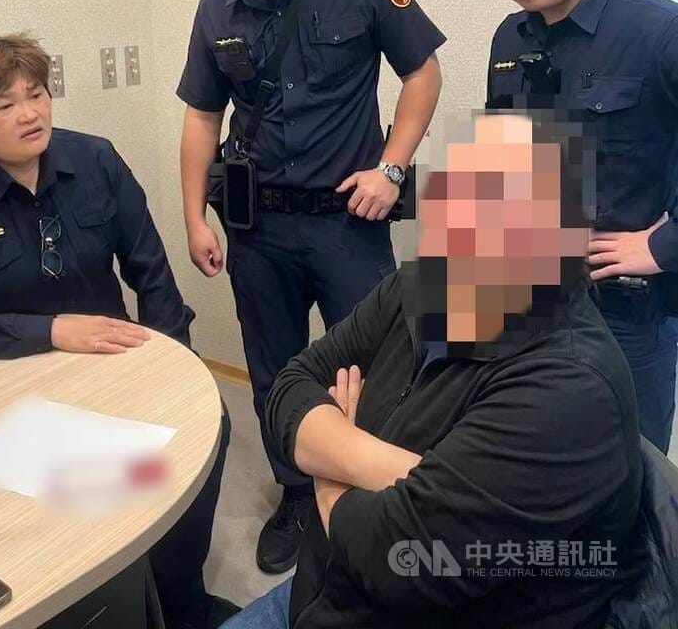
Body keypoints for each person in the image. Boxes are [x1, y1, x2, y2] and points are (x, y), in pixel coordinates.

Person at [223, 110, 644, 629]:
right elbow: (290, 389)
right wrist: (391, 470)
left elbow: (392, 556)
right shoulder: (425, 286)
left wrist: (327, 475)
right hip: (319, 588)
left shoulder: (570, 390)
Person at [0, 35, 239, 629]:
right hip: (6, 382)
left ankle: (179, 596)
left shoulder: (96, 160)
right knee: (56, 494)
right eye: (5, 105)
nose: (30, 113)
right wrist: (52, 330)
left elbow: (152, 274)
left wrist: (177, 369)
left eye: (36, 94)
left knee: (206, 428)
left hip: (112, 364)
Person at [177, 0, 445, 573]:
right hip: (258, 228)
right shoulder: (215, 10)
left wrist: (391, 168)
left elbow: (422, 72)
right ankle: (298, 495)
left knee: (376, 362)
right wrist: (194, 216)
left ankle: (372, 490)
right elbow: (201, 116)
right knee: (274, 365)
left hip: (346, 222)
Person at [469, 0, 678, 453]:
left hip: (624, 310)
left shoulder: (658, 31)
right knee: (532, 457)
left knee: (628, 469)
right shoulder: (510, 38)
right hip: (525, 296)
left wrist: (661, 245)